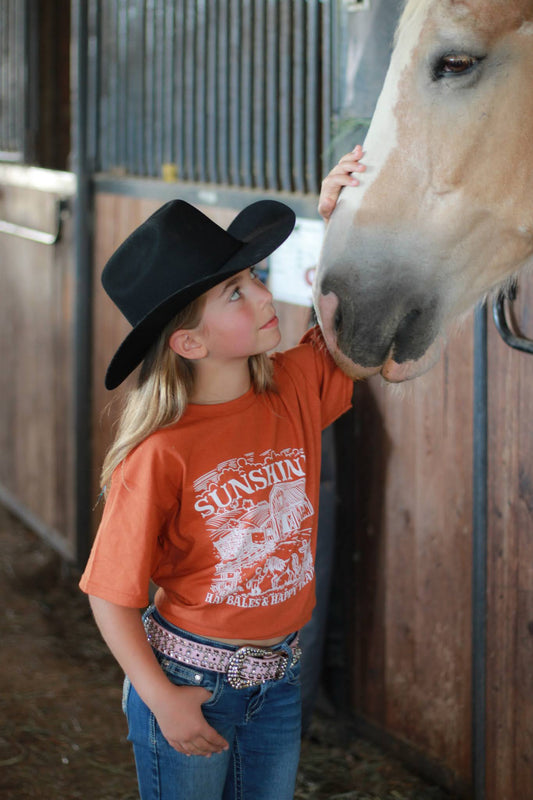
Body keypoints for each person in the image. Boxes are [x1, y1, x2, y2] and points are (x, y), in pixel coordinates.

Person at [79, 146, 365, 800]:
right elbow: (108, 595)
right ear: (189, 342)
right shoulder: (160, 453)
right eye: (235, 292)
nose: (263, 293)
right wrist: (162, 699)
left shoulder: (292, 386)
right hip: (188, 684)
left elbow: (351, 326)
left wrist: (342, 215)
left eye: (255, 276)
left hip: (279, 679)